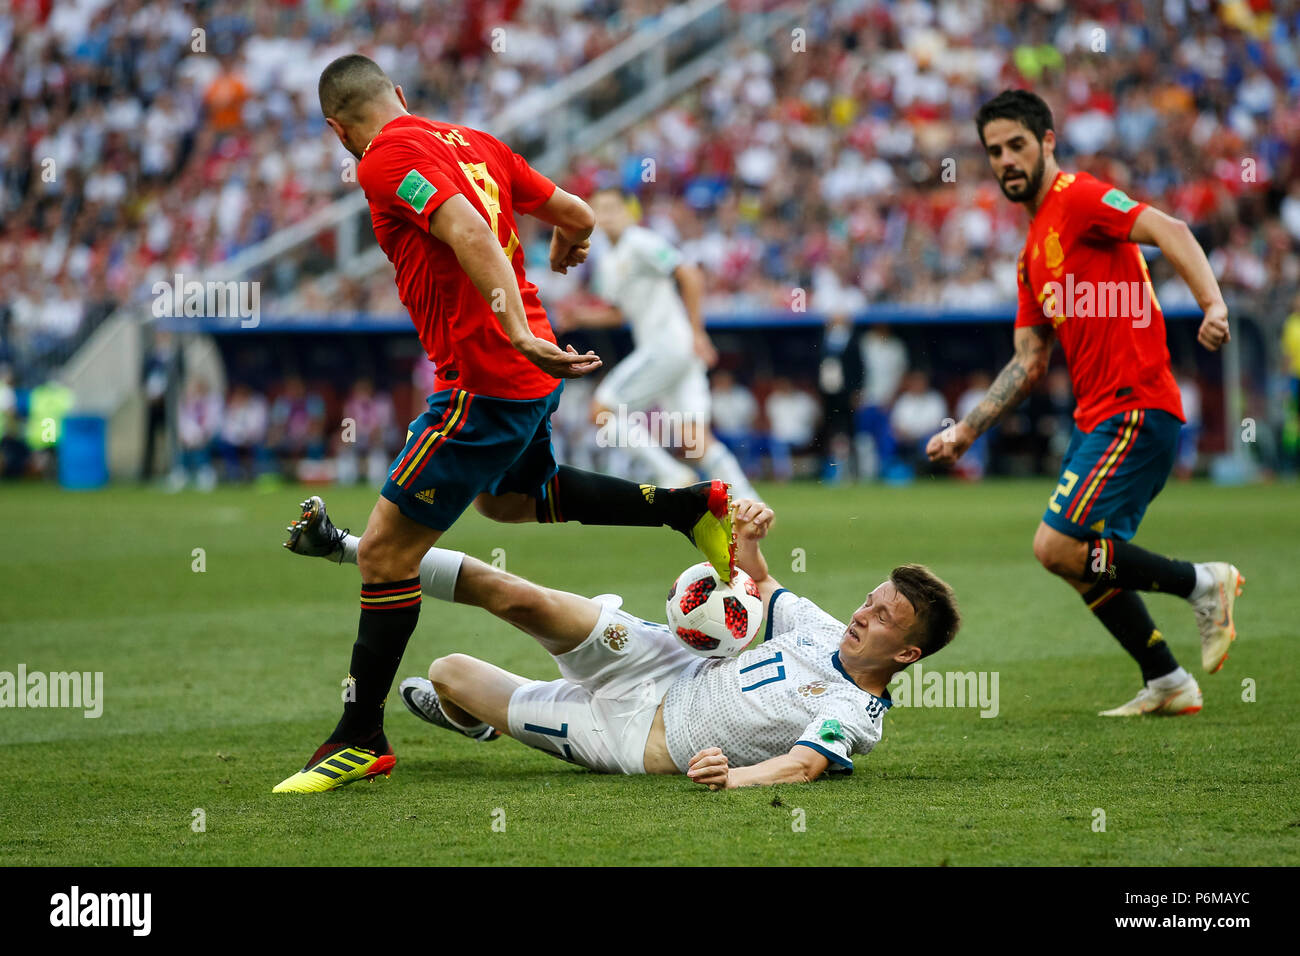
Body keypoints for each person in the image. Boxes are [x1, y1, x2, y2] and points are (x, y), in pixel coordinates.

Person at [274, 55, 736, 794]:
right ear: (400, 93)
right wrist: (570, 242)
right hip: (529, 379)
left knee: (384, 555)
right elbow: (577, 213)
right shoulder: (474, 139)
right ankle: (687, 506)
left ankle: (359, 733)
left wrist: (514, 327)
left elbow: (466, 231)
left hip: (485, 380)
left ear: (338, 129)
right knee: (514, 500)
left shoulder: (383, 158)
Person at [926, 89, 1243, 717]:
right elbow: (1028, 360)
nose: (1006, 160)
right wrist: (967, 431)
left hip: (1135, 408)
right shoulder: (1030, 256)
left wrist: (1212, 303)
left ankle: (1204, 583)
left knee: (1054, 546)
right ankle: (1168, 680)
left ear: (1047, 142)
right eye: (995, 151)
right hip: (1097, 419)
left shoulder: (1080, 198)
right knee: (1081, 562)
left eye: (1017, 144)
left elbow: (1169, 228)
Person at [304, 498, 959, 788]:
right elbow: (760, 583)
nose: (863, 612)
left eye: (883, 616)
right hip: (658, 657)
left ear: (906, 654)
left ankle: (480, 721)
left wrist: (735, 779)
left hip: (628, 738)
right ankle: (345, 547)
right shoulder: (819, 628)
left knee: (448, 672)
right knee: (518, 596)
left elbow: (803, 766)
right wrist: (751, 542)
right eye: (871, 599)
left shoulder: (856, 716)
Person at [559, 188, 757, 498]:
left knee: (601, 411)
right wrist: (580, 317)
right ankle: (749, 501)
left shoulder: (640, 241)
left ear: (629, 211)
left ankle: (670, 473)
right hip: (673, 352)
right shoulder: (608, 260)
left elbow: (689, 274)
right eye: (599, 209)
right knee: (694, 438)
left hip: (668, 345)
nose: (607, 214)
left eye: (613, 206)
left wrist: (698, 332)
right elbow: (618, 314)